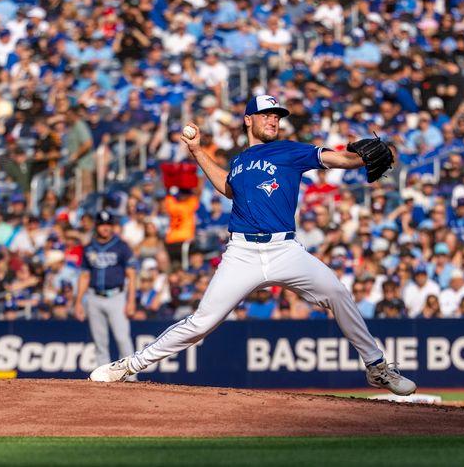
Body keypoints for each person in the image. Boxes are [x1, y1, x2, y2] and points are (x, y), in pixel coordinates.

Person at [89, 95, 415, 395]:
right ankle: (129, 366)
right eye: (266, 115)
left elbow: (339, 159)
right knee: (201, 322)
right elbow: (227, 188)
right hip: (241, 253)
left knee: (337, 293)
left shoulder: (289, 150)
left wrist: (359, 160)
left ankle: (377, 367)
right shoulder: (240, 161)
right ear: (249, 120)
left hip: (285, 250)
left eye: (276, 116)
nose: (273, 120)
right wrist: (198, 152)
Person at [75, 210, 137, 381]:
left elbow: (131, 274)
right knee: (100, 342)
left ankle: (131, 378)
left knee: (122, 338)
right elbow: (84, 275)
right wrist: (78, 302)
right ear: (97, 226)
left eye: (108, 225)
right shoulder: (90, 247)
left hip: (117, 296)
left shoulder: (121, 246)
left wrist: (131, 301)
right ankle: (104, 378)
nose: (105, 228)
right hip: (94, 297)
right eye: (102, 225)